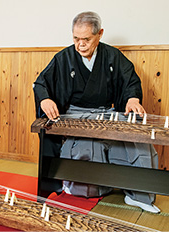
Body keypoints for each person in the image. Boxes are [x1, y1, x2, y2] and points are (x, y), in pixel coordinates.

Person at [33, 12, 160, 213]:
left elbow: (130, 81)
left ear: (100, 34)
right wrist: (45, 99)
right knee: (86, 145)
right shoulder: (64, 57)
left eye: (86, 39)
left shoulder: (112, 56)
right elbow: (42, 83)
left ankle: (139, 195)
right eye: (76, 38)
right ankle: (74, 185)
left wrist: (133, 98)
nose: (80, 44)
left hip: (105, 113)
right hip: (75, 114)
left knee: (137, 140)